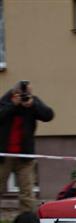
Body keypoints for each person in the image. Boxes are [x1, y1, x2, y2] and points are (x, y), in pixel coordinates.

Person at [0, 81, 54, 212]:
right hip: (4, 155)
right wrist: (13, 105)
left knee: (27, 193)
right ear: (14, 92)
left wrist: (33, 104)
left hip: (25, 156)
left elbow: (49, 115)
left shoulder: (32, 102)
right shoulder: (5, 101)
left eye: (28, 93)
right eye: (22, 93)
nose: (25, 95)